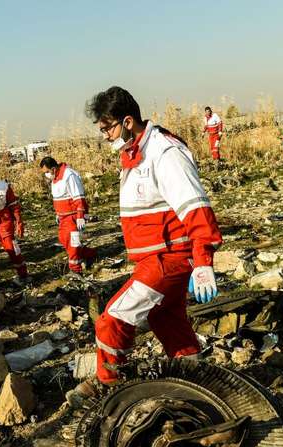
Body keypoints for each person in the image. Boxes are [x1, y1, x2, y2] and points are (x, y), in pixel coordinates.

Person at [68, 86, 222, 403]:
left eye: (107, 128)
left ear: (127, 121)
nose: (105, 136)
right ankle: (194, 379)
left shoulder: (164, 153)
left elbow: (196, 209)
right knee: (166, 319)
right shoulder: (137, 153)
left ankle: (108, 388)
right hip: (155, 259)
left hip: (168, 260)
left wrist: (203, 261)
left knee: (113, 320)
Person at [39, 157, 97, 277]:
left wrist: (81, 215)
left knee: (72, 243)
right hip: (63, 217)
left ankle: (75, 269)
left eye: (46, 172)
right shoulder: (55, 178)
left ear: (53, 169)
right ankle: (89, 254)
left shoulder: (69, 175)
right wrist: (58, 214)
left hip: (73, 216)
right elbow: (59, 198)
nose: (46, 175)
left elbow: (78, 197)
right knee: (63, 239)